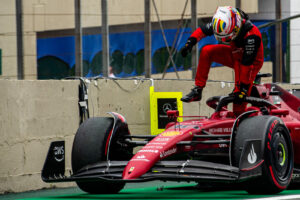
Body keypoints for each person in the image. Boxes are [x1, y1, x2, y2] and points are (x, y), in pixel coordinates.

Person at [180, 6, 264, 113]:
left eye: (227, 38)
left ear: (236, 27)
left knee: (238, 102)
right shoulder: (222, 22)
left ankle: (241, 119)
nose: (224, 40)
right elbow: (203, 30)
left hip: (250, 63)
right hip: (235, 54)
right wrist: (189, 43)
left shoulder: (252, 36)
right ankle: (197, 90)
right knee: (207, 51)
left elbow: (247, 65)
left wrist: (242, 90)